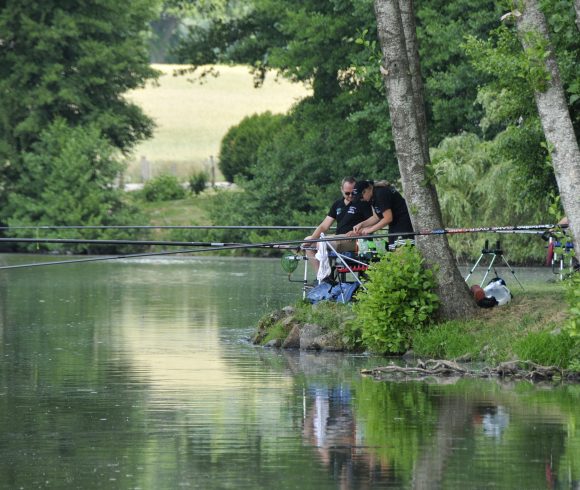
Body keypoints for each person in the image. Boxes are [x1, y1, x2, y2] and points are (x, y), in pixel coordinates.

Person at [303, 176, 373, 273]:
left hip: (354, 240)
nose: (350, 195)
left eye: (353, 192)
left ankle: (326, 273)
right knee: (307, 240)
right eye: (347, 193)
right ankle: (321, 277)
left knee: (322, 243)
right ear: (341, 190)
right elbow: (324, 226)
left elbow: (371, 224)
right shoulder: (337, 204)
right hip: (337, 239)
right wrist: (311, 240)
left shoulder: (363, 203)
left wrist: (357, 232)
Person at [350, 179, 414, 246]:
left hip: (403, 225)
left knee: (401, 251)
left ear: (366, 191)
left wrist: (370, 229)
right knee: (392, 249)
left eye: (361, 197)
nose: (362, 199)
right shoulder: (373, 196)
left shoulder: (380, 194)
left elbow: (388, 218)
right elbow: (376, 217)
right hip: (394, 226)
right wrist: (361, 224)